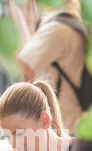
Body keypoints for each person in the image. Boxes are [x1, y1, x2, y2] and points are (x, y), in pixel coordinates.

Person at [15, 0, 85, 134]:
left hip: (65, 127)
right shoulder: (76, 20)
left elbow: (21, 66)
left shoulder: (57, 28)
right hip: (77, 122)